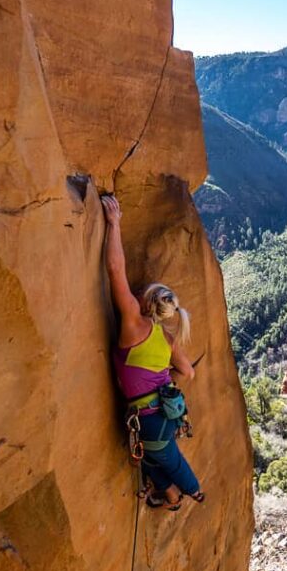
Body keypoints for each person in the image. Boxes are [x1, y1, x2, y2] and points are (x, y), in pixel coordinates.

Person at [101, 193, 204, 509]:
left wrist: (114, 223)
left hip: (148, 421)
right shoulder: (166, 337)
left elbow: (116, 271)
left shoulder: (133, 321)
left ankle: (192, 490)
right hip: (164, 415)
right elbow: (188, 372)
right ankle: (171, 496)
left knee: (164, 459)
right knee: (150, 455)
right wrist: (161, 382)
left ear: (146, 302)